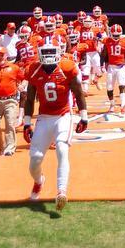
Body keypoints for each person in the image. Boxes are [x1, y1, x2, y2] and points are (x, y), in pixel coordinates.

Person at [22, 45, 87, 211]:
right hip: (44, 118)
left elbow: (78, 93)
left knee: (62, 150)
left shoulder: (67, 67)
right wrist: (27, 122)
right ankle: (39, 181)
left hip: (63, 116)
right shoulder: (34, 69)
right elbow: (29, 99)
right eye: (46, 53)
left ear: (58, 53)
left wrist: (84, 117)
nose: (49, 56)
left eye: (52, 52)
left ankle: (61, 191)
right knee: (35, 159)